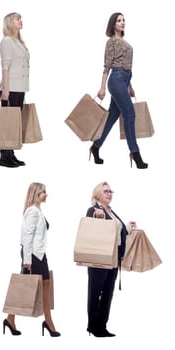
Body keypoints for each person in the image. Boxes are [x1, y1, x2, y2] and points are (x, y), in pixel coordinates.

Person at [90, 13, 148, 169]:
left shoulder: (124, 42)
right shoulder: (111, 42)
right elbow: (107, 67)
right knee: (130, 114)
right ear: (113, 24)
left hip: (124, 81)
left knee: (112, 116)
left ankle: (95, 147)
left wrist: (130, 86)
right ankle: (135, 153)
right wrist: (102, 87)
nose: (122, 23)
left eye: (123, 20)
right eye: (119, 20)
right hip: (115, 80)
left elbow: (127, 67)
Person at [3, 183, 60, 337]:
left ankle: (11, 319)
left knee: (43, 284)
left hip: (39, 253)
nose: (46, 195)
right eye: (43, 192)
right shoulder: (33, 212)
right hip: (33, 255)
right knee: (25, 286)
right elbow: (27, 236)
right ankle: (47, 322)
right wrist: (27, 260)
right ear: (35, 194)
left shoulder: (38, 211)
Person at [85, 182, 134, 337]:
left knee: (108, 292)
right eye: (106, 191)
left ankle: (102, 326)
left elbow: (115, 233)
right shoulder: (93, 210)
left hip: (113, 257)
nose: (109, 194)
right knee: (95, 292)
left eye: (111, 191)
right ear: (98, 193)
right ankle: (93, 326)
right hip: (100, 257)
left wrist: (126, 228)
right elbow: (93, 233)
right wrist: (97, 218)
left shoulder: (111, 211)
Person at [0, 12, 29, 168]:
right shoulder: (7, 41)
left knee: (14, 124)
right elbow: (5, 66)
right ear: (10, 22)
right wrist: (6, 89)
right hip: (10, 88)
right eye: (17, 19)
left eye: (20, 19)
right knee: (7, 124)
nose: (20, 21)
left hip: (20, 87)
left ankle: (11, 154)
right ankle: (4, 156)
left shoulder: (19, 42)